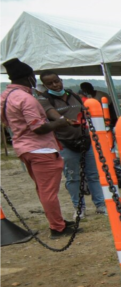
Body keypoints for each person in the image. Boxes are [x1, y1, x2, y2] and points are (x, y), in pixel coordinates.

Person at [0, 58, 71, 238]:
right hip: (41, 149)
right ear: (30, 77)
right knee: (48, 191)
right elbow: (38, 128)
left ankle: (57, 221)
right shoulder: (26, 98)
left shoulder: (6, 96)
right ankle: (57, 227)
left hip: (23, 147)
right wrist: (60, 123)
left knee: (42, 188)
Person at [36, 71, 106, 218]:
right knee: (73, 177)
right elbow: (51, 113)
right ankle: (79, 207)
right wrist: (63, 119)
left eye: (56, 81)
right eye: (50, 83)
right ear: (45, 85)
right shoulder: (44, 99)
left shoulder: (73, 95)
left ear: (61, 80)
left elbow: (85, 110)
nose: (55, 85)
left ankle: (100, 205)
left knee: (94, 175)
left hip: (85, 141)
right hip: (66, 143)